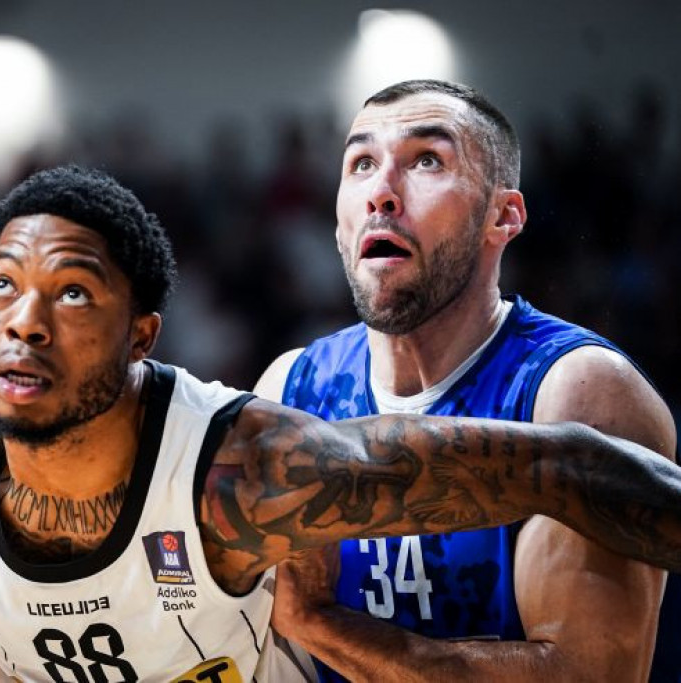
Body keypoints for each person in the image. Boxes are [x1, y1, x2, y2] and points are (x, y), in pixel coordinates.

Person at [0, 165, 681, 683]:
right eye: (3, 287)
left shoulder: (243, 472)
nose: (27, 320)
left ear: (141, 336)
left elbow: (560, 468)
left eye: (73, 292)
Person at [256, 80, 679, 682]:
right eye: (362, 163)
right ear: (338, 226)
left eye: (427, 160)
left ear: (502, 216)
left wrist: (318, 622)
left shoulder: (578, 392)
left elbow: (584, 675)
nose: (381, 192)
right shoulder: (289, 390)